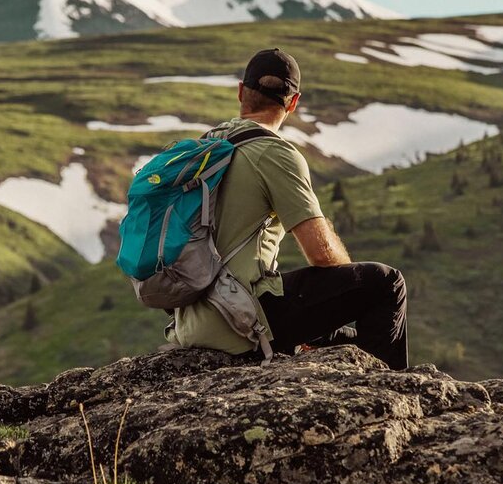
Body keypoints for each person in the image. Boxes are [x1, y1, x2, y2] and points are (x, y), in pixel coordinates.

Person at [166, 48, 408, 368]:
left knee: (341, 341)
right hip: (242, 320)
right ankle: (388, 395)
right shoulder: (274, 153)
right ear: (293, 102)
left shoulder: (203, 148)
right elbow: (321, 255)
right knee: (386, 284)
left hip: (191, 322)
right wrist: (345, 283)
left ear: (241, 91)